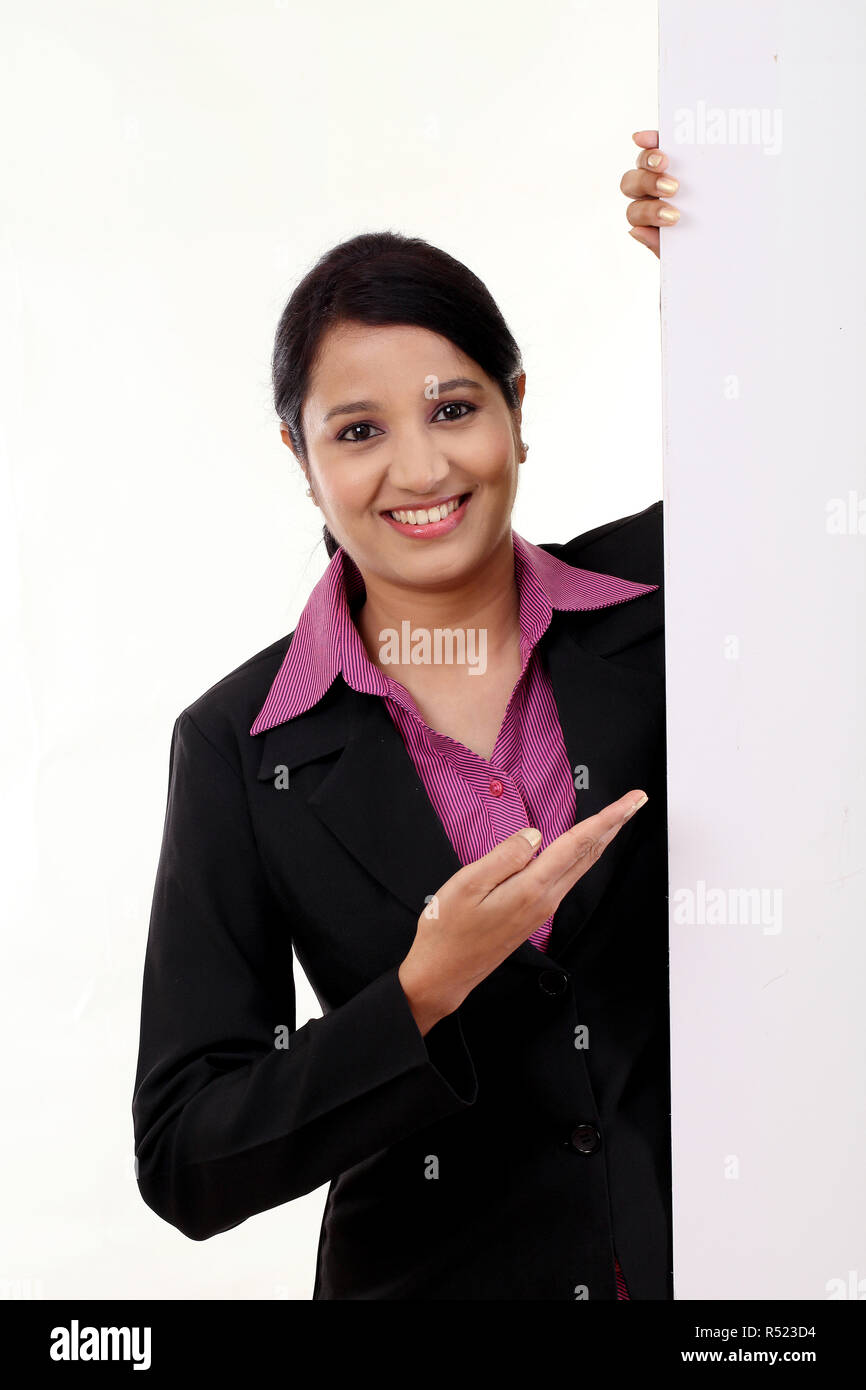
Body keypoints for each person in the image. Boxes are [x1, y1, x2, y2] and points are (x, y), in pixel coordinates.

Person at [132, 132, 680, 1299]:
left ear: (515, 408)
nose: (420, 468)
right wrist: (421, 992)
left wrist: (738, 260)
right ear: (300, 457)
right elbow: (186, 1153)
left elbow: (823, 458)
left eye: (452, 406)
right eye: (359, 430)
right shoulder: (243, 743)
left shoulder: (671, 601)